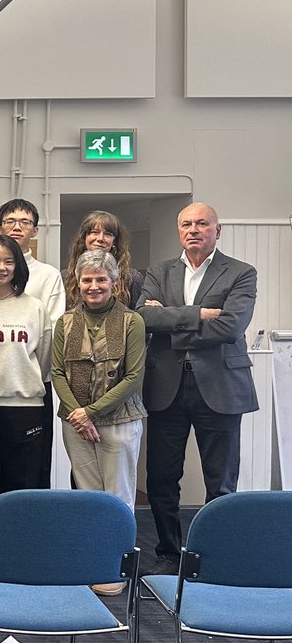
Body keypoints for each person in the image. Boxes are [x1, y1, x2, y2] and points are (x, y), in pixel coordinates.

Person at [137, 202, 257, 576]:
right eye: (186, 224)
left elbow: (231, 328)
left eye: (202, 223)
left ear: (217, 231)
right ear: (178, 231)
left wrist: (170, 318)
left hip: (220, 385)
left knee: (220, 480)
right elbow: (144, 317)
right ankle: (169, 554)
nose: (194, 229)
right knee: (161, 477)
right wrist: (201, 313)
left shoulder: (240, 272)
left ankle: (215, 555)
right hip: (166, 387)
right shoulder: (158, 272)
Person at [52, 250, 146, 596]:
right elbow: (58, 372)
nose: (94, 286)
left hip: (119, 421)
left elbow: (134, 377)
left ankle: (114, 568)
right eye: (87, 280)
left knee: (118, 497)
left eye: (101, 279)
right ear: (78, 283)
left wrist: (91, 413)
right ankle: (91, 562)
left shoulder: (132, 321)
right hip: (76, 424)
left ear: (115, 282)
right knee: (89, 497)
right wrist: (78, 414)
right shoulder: (65, 323)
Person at [0, 198, 65, 490]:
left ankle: (25, 538)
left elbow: (45, 357)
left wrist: (24, 377)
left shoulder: (33, 307)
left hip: (25, 407)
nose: (1, 268)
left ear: (18, 266)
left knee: (24, 484)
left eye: (8, 262)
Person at [63, 210, 144, 308]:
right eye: (94, 232)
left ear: (114, 241)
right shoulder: (65, 277)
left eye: (108, 234)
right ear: (84, 238)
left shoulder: (132, 279)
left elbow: (137, 315)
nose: (100, 238)